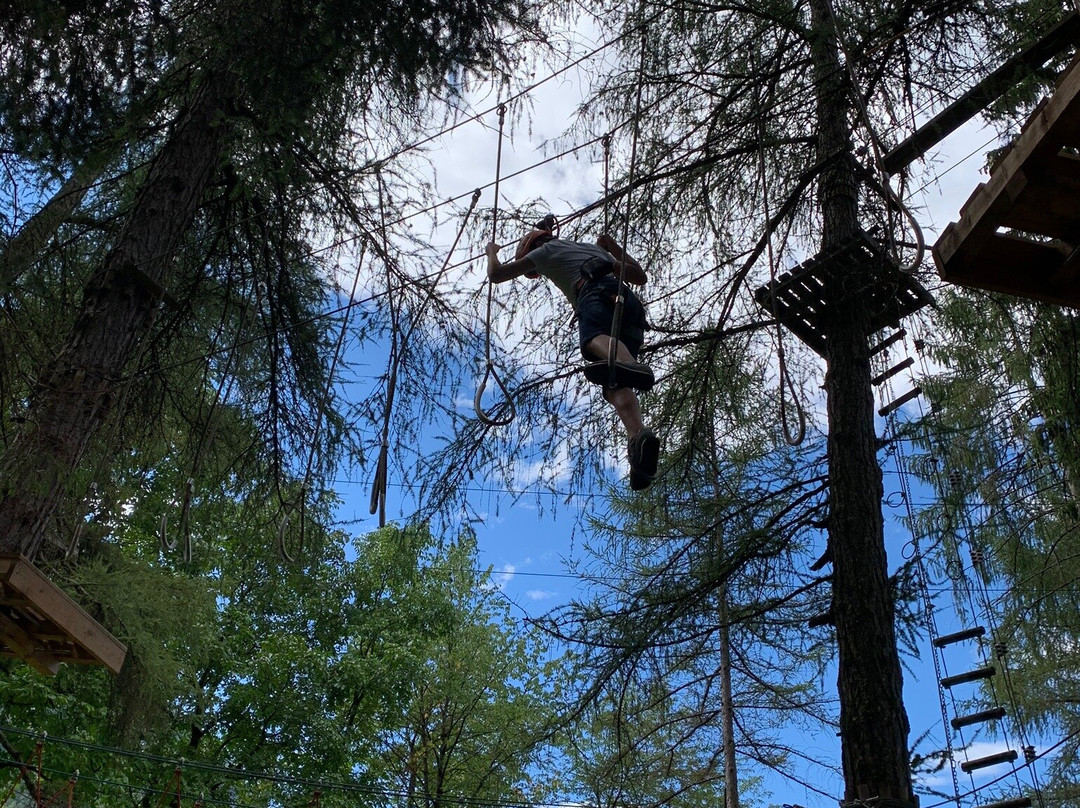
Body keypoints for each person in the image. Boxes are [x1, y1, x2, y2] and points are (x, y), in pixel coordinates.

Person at [485, 217, 660, 490]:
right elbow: (640, 276)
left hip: (595, 294)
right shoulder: (594, 249)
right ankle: (637, 437)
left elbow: (496, 275)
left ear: (533, 247)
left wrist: (492, 252)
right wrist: (612, 250)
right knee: (614, 380)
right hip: (631, 308)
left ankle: (630, 366)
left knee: (593, 340)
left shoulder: (544, 252)